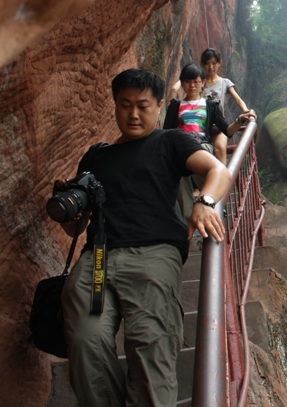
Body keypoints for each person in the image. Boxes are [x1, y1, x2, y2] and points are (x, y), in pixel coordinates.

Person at [58, 68, 231, 407]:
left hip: (153, 256)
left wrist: (205, 201)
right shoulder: (96, 155)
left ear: (160, 105)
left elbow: (218, 170)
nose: (133, 114)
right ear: (115, 105)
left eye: (142, 105)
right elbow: (76, 228)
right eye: (124, 105)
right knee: (84, 343)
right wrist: (70, 214)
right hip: (97, 261)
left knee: (151, 345)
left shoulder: (170, 140)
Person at [163, 63, 255, 219]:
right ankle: (188, 223)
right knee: (181, 177)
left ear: (202, 83)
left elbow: (227, 130)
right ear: (182, 83)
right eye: (187, 81)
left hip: (202, 146)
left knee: (206, 172)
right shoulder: (175, 106)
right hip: (181, 148)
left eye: (196, 81)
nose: (192, 85)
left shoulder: (210, 106)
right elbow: (167, 133)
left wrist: (240, 120)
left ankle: (213, 206)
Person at [199, 48, 254, 162]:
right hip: (201, 126)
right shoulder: (198, 83)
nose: (211, 67)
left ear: (219, 63)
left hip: (218, 126)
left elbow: (238, 99)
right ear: (202, 65)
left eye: (214, 63)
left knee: (219, 149)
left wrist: (246, 110)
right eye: (207, 63)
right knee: (202, 154)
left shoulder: (225, 82)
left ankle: (224, 179)